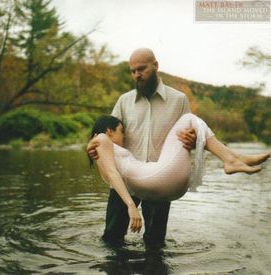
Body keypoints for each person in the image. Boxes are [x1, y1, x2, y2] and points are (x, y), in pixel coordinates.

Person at [87, 48, 196, 248]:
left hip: (159, 180)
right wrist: (95, 150)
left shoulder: (179, 100)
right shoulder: (124, 100)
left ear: (156, 66)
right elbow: (107, 136)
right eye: (133, 71)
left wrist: (193, 141)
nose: (137, 74)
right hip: (125, 180)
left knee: (155, 244)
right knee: (111, 239)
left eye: (142, 69)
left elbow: (188, 137)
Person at [89, 114, 269, 235]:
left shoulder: (98, 150)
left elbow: (111, 175)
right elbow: (113, 175)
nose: (125, 137)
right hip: (157, 176)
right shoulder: (102, 139)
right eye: (122, 131)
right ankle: (231, 159)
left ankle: (233, 157)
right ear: (109, 131)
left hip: (155, 181)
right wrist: (131, 206)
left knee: (191, 122)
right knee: (189, 118)